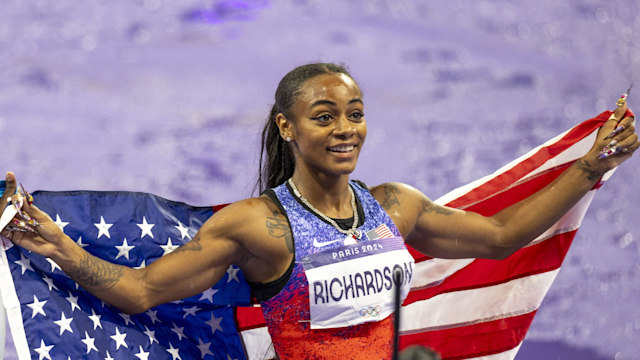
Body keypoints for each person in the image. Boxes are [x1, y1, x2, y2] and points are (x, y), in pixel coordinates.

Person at [1, 63, 637, 359]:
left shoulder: (395, 206)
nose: (345, 130)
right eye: (324, 116)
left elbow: (500, 238)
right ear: (288, 128)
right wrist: (62, 248)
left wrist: (591, 167)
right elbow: (141, 291)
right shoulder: (259, 226)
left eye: (355, 113)